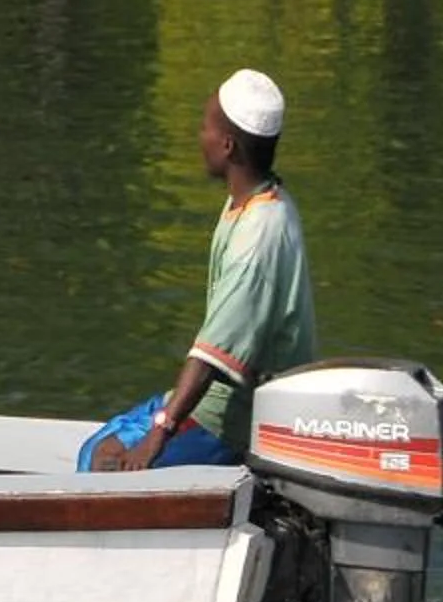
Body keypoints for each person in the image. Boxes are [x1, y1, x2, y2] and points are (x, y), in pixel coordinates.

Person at [83, 68, 318, 470]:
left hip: (234, 421)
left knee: (102, 468)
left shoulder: (258, 236)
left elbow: (213, 356)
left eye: (204, 127)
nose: (199, 137)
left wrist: (157, 438)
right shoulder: (258, 199)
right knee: (96, 449)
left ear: (227, 146)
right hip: (214, 403)